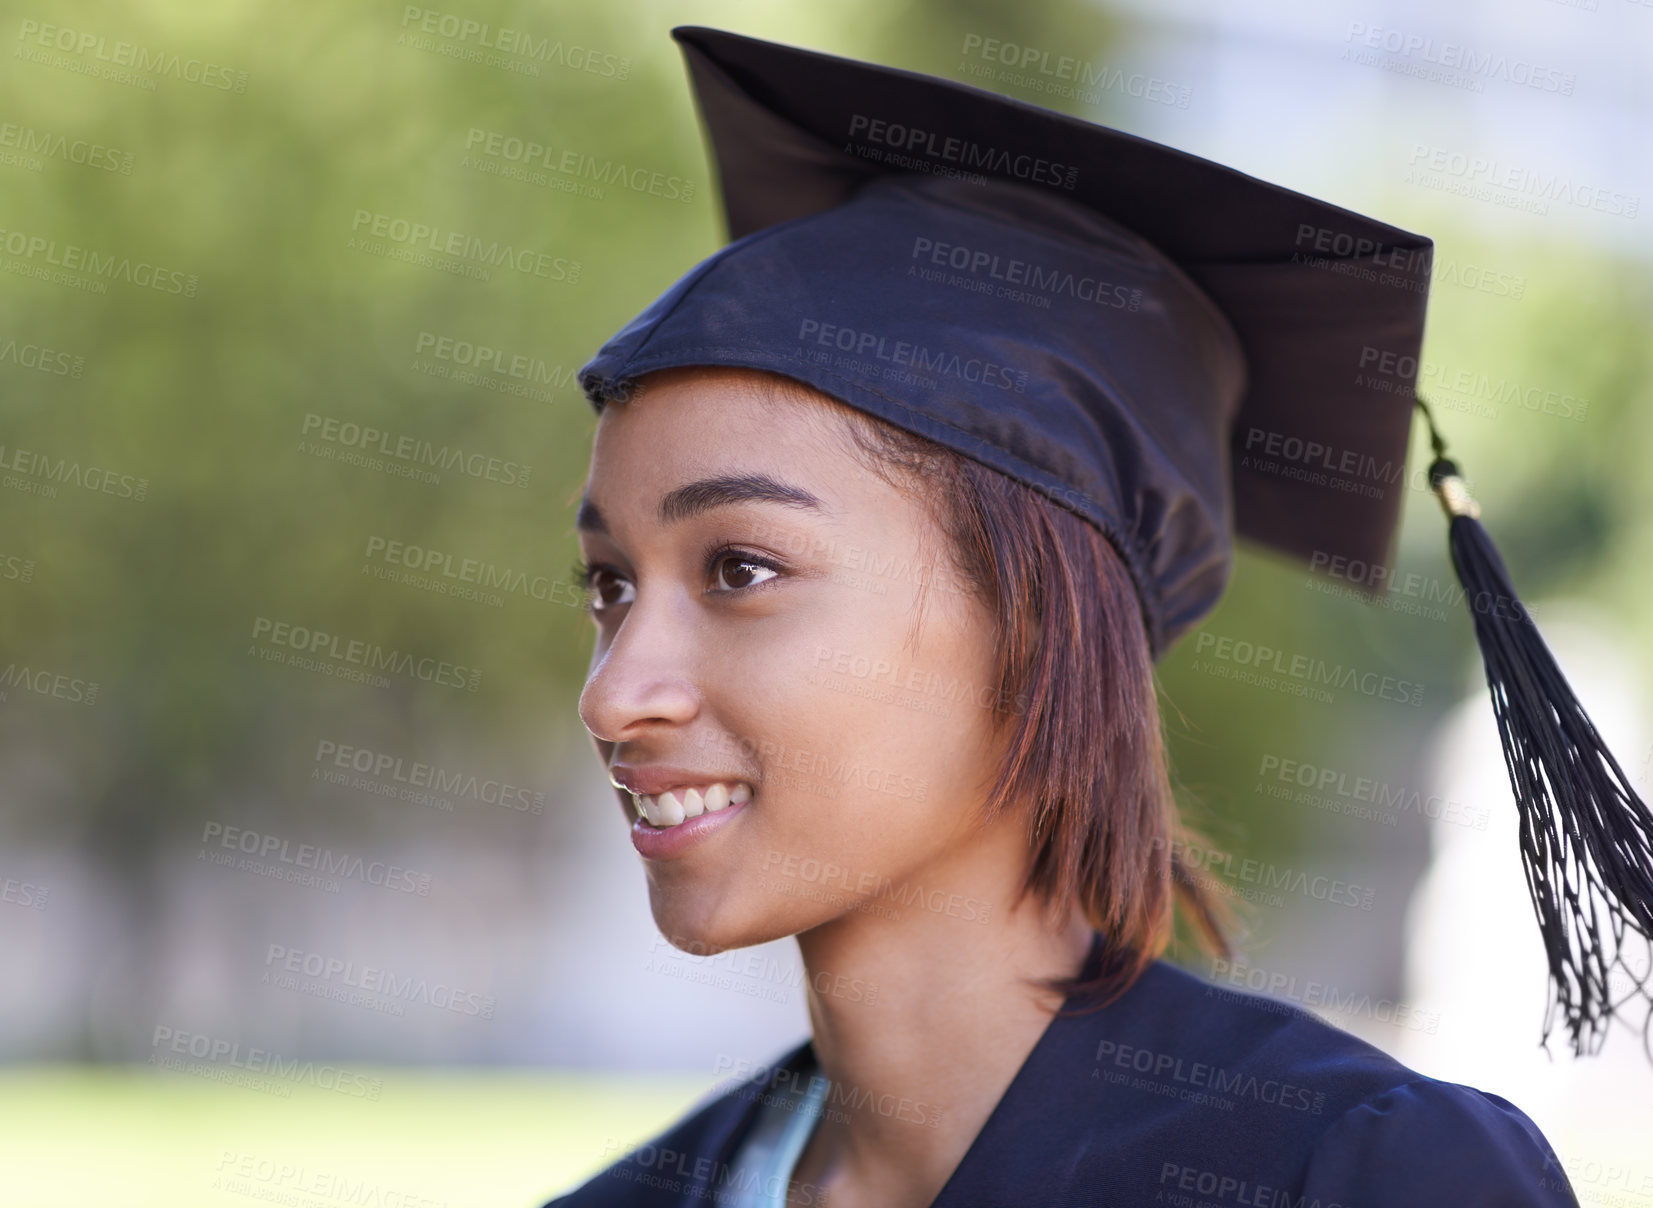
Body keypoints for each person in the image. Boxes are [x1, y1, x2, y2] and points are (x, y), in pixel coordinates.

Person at [543, 24, 1650, 1206]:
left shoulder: (1354, 1176)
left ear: (1041, 622)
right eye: (610, 583)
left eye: (742, 569)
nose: (615, 691)